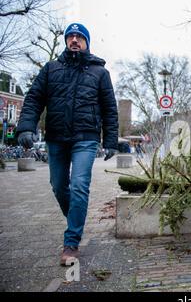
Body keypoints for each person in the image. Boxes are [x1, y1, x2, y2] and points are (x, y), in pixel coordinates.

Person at [16, 23, 119, 265]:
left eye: (79, 36)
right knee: (58, 186)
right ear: (66, 41)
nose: (74, 40)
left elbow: (110, 109)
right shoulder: (51, 69)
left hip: (86, 137)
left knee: (80, 185)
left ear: (87, 42)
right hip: (56, 137)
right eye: (70, 36)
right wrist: (26, 127)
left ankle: (71, 242)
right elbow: (33, 99)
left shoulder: (100, 73)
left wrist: (111, 140)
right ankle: (76, 219)